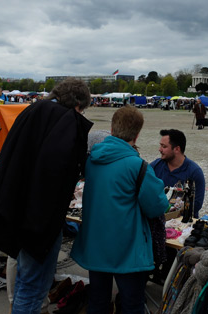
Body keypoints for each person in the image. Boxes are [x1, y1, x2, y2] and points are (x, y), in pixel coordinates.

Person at [0, 78, 93, 314]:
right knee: (33, 287)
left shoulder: (33, 110)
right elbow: (56, 171)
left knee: (26, 283)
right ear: (78, 103)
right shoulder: (65, 120)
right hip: (38, 220)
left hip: (15, 208)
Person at [71, 106, 168, 314]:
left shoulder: (92, 160)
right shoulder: (138, 165)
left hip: (96, 243)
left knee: (98, 301)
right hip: (127, 247)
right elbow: (158, 206)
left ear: (112, 130)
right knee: (132, 304)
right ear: (137, 134)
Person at [151, 129, 205, 218]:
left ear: (177, 149)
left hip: (182, 223)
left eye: (164, 147)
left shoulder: (194, 172)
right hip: (158, 220)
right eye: (160, 146)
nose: (160, 149)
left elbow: (196, 205)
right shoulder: (155, 166)